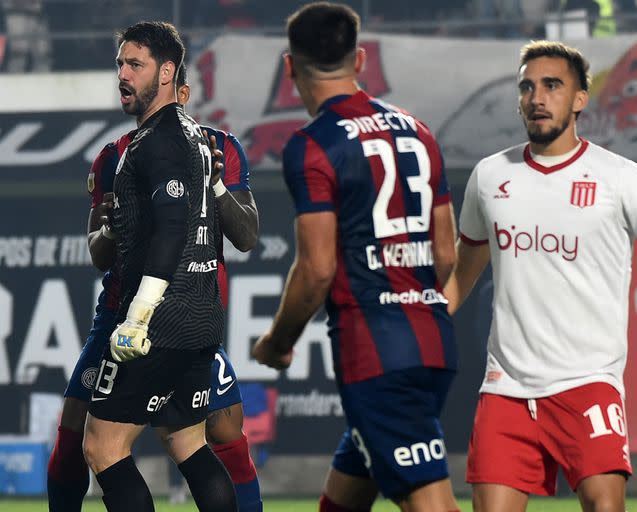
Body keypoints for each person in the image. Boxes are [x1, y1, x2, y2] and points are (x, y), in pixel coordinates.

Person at [443, 40, 637, 511]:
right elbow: (465, 270)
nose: (537, 97)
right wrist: (424, 326)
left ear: (580, 98)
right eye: (527, 86)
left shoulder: (621, 178)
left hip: (589, 382)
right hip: (506, 387)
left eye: (552, 86)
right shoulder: (488, 177)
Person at [252, 3, 461, 511]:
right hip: (432, 343)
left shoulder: (312, 146)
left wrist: (278, 342)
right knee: (346, 494)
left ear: (289, 67)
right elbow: (446, 253)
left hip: (376, 352)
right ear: (360, 60)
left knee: (431, 503)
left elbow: (317, 270)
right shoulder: (419, 131)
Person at [46, 62, 262, 511]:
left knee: (218, 434)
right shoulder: (114, 156)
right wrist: (109, 230)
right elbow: (99, 255)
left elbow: (245, 236)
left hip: (183, 306)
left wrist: (217, 186)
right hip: (123, 314)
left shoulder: (220, 149)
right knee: (74, 434)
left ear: (179, 90)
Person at [80, 21, 237, 512]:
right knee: (188, 443)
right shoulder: (193, 136)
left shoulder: (158, 142)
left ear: (167, 72)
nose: (123, 75)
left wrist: (139, 313)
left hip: (159, 322)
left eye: (136, 64)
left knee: (102, 447)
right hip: (200, 318)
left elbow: (171, 229)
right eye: (120, 64)